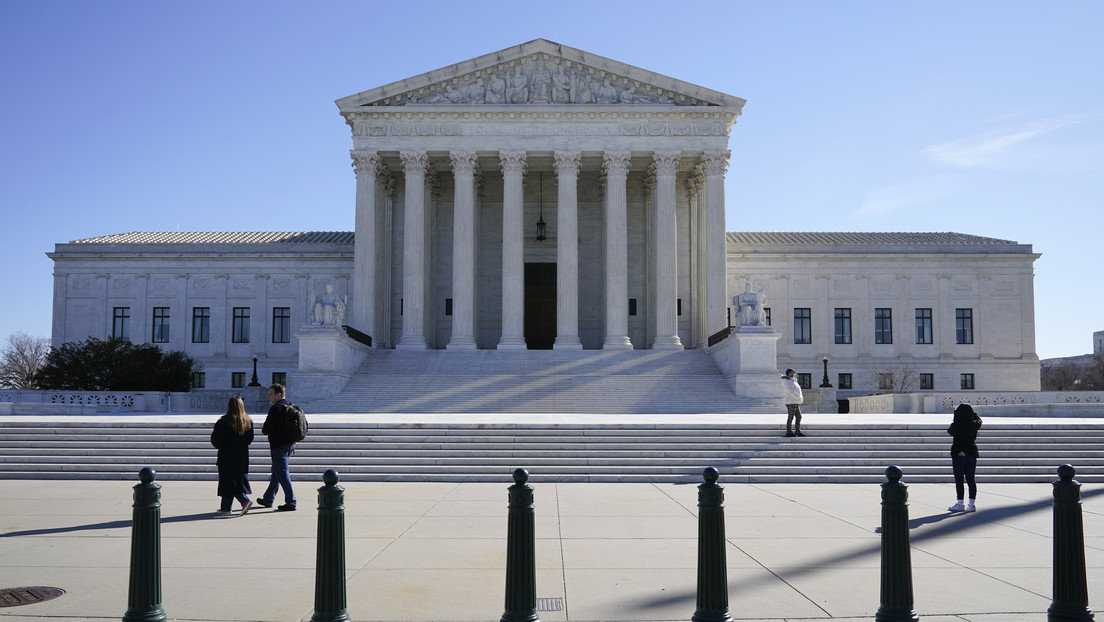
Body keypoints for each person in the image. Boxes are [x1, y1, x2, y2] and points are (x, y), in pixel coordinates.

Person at [210, 396, 254, 517]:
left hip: (227, 456)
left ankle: (244, 501)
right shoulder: (248, 421)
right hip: (242, 456)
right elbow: (249, 440)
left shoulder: (223, 421)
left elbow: (216, 441)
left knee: (228, 482)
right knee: (231, 482)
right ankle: (225, 508)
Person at [257, 383, 297, 511]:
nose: (269, 397)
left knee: (282, 474)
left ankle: (291, 501)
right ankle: (268, 498)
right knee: (276, 473)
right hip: (289, 444)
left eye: (271, 394)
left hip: (278, 446)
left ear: (279, 394)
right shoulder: (290, 406)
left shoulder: (276, 409)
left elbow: (266, 429)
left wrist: (266, 428)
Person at [948, 403, 982, 512]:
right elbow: (979, 420)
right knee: (971, 479)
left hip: (958, 454)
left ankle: (960, 503)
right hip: (971, 453)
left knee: (959, 480)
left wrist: (956, 416)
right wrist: (973, 414)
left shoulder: (956, 426)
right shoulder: (974, 425)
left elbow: (950, 431)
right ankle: (971, 504)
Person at [781, 368, 805, 437]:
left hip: (794, 401)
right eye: (791, 373)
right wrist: (798, 397)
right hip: (791, 401)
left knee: (798, 416)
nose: (792, 374)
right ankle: (789, 432)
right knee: (791, 417)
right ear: (788, 374)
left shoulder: (793, 381)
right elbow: (790, 391)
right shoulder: (788, 381)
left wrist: (798, 398)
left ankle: (797, 431)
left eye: (793, 373)